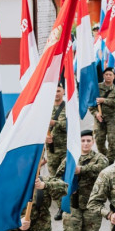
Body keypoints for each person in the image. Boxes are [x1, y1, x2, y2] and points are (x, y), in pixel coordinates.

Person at [58, 129, 108, 231]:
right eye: (82, 141)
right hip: (72, 205)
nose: (85, 144)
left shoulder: (100, 158)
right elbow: (58, 176)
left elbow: (102, 170)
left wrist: (82, 170)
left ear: (93, 142)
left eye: (88, 141)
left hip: (92, 205)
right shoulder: (70, 159)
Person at [47, 85, 68, 221]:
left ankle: (64, 206)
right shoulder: (46, 108)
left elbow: (68, 125)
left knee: (65, 177)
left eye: (59, 91)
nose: (56, 93)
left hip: (65, 149)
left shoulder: (67, 107)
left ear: (63, 92)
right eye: (54, 91)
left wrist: (54, 122)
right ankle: (60, 204)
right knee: (54, 178)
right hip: (51, 150)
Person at [91, 68, 115, 158]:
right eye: (106, 74)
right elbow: (91, 104)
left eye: (110, 75)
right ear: (103, 76)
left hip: (112, 118)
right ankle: (104, 158)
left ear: (114, 77)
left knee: (112, 140)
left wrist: (104, 100)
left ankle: (111, 159)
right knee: (99, 140)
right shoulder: (97, 88)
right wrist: (96, 113)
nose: (108, 76)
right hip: (99, 119)